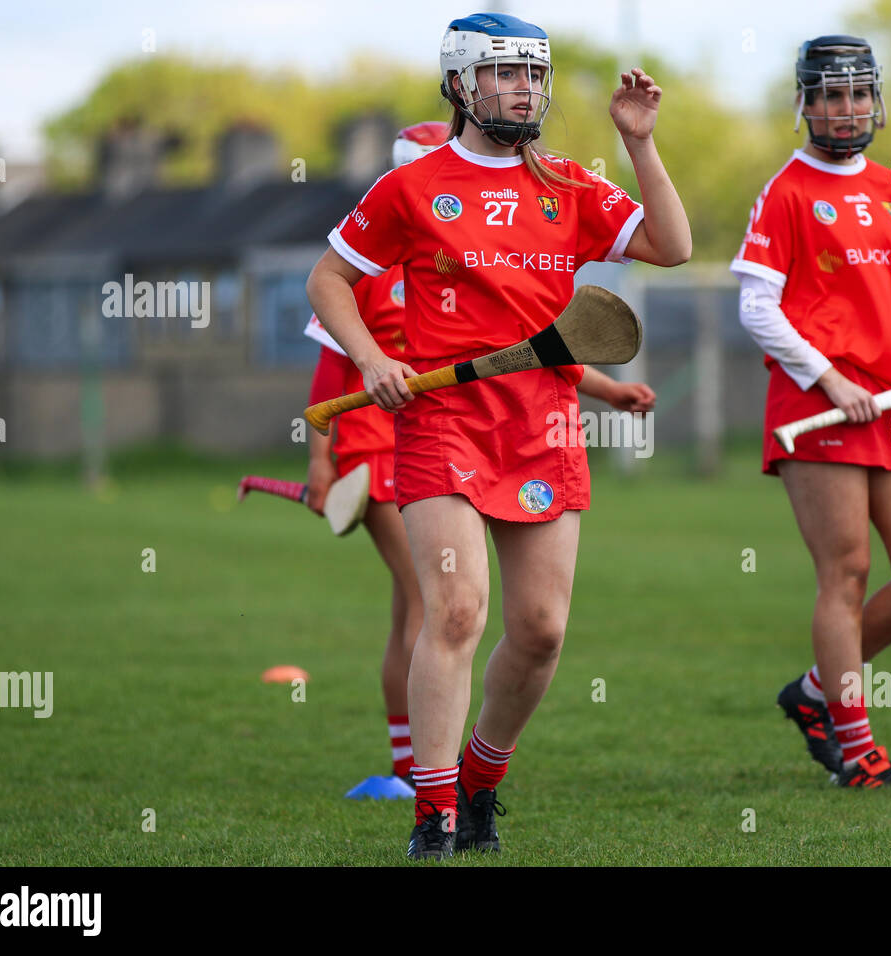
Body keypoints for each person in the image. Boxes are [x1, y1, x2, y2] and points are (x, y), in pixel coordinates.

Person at [306, 12, 689, 857]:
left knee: (544, 630)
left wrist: (640, 143)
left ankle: (480, 781)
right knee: (456, 613)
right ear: (460, 84)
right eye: (505, 74)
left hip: (544, 428)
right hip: (443, 427)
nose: (524, 89)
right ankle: (434, 812)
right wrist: (370, 358)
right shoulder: (413, 186)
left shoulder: (566, 185)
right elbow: (328, 277)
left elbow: (673, 244)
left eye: (532, 75)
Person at [730, 35, 891, 788]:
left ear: (876, 100)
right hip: (817, 404)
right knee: (846, 573)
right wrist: (828, 377)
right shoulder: (787, 191)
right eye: (829, 96)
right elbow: (757, 307)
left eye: (857, 94)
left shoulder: (886, 187)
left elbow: (888, 301)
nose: (845, 110)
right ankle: (857, 752)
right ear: (804, 104)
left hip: (889, 398)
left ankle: (813, 694)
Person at [304, 122, 448, 801]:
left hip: (430, 443)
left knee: (410, 604)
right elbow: (331, 372)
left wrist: (603, 388)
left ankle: (405, 767)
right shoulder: (362, 261)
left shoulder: (450, 262)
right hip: (371, 448)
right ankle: (418, 771)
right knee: (426, 598)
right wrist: (321, 464)